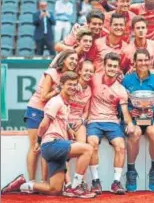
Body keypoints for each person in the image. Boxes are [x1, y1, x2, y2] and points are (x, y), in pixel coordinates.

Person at [2, 71, 96, 199]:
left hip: (56, 146)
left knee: (54, 189)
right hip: (52, 144)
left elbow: (61, 121)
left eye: (74, 84)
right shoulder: (56, 101)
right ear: (61, 85)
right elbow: (43, 124)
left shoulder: (65, 104)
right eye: (69, 84)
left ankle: (24, 185)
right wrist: (39, 141)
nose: (72, 87)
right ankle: (75, 187)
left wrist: (69, 130)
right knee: (88, 148)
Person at [22, 50, 78, 187]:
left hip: (51, 112)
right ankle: (32, 181)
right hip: (37, 110)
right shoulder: (52, 73)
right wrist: (58, 90)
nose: (74, 62)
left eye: (76, 60)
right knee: (35, 146)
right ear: (63, 59)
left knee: (47, 146)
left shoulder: (67, 77)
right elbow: (43, 97)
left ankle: (45, 181)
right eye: (71, 58)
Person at [87, 52, 134, 195]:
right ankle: (95, 181)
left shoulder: (120, 89)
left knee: (121, 146)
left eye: (115, 66)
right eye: (110, 66)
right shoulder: (93, 79)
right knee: (92, 143)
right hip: (94, 121)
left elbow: (125, 112)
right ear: (104, 66)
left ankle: (116, 182)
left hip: (112, 122)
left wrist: (130, 123)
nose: (112, 68)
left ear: (118, 68)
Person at [122, 49, 154, 192]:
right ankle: (131, 171)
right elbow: (122, 102)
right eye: (140, 60)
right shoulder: (126, 80)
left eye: (145, 60)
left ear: (150, 61)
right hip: (133, 118)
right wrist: (130, 111)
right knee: (134, 134)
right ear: (134, 62)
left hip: (152, 118)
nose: (143, 63)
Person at [63, 61, 95, 195]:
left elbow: (86, 111)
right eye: (85, 70)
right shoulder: (71, 86)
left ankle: (78, 182)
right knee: (64, 153)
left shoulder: (89, 90)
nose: (88, 73)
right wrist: (67, 125)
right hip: (64, 121)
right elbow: (62, 105)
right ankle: (68, 184)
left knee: (83, 148)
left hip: (78, 122)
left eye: (91, 71)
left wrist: (81, 120)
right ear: (79, 71)